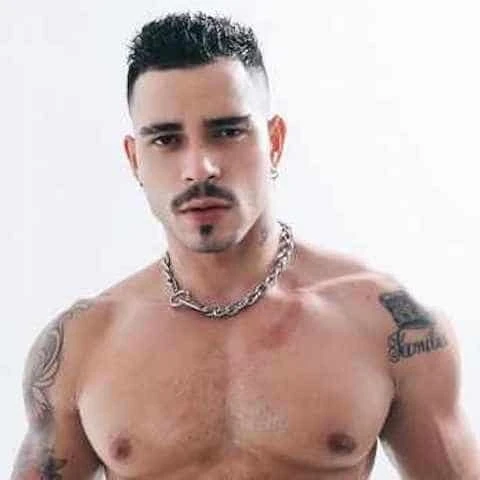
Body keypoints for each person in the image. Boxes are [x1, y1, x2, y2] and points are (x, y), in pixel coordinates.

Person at [11, 11, 480, 480]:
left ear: (274, 141)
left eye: (227, 132)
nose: (199, 167)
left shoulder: (386, 326)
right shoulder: (82, 347)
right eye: (167, 140)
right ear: (135, 159)